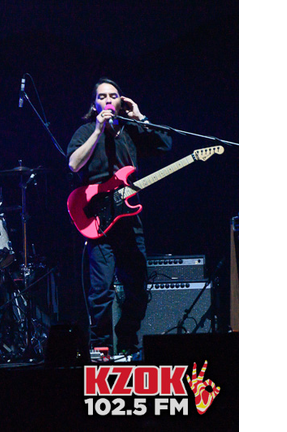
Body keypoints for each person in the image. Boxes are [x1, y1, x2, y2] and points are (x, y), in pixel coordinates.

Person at [67, 78, 171, 356]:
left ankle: (127, 344)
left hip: (129, 222)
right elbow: (73, 163)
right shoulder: (86, 130)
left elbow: (164, 146)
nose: (109, 100)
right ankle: (101, 348)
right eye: (102, 96)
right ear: (95, 104)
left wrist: (140, 117)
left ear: (121, 101)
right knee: (101, 293)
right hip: (99, 222)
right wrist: (98, 131)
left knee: (137, 290)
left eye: (114, 96)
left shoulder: (131, 130)